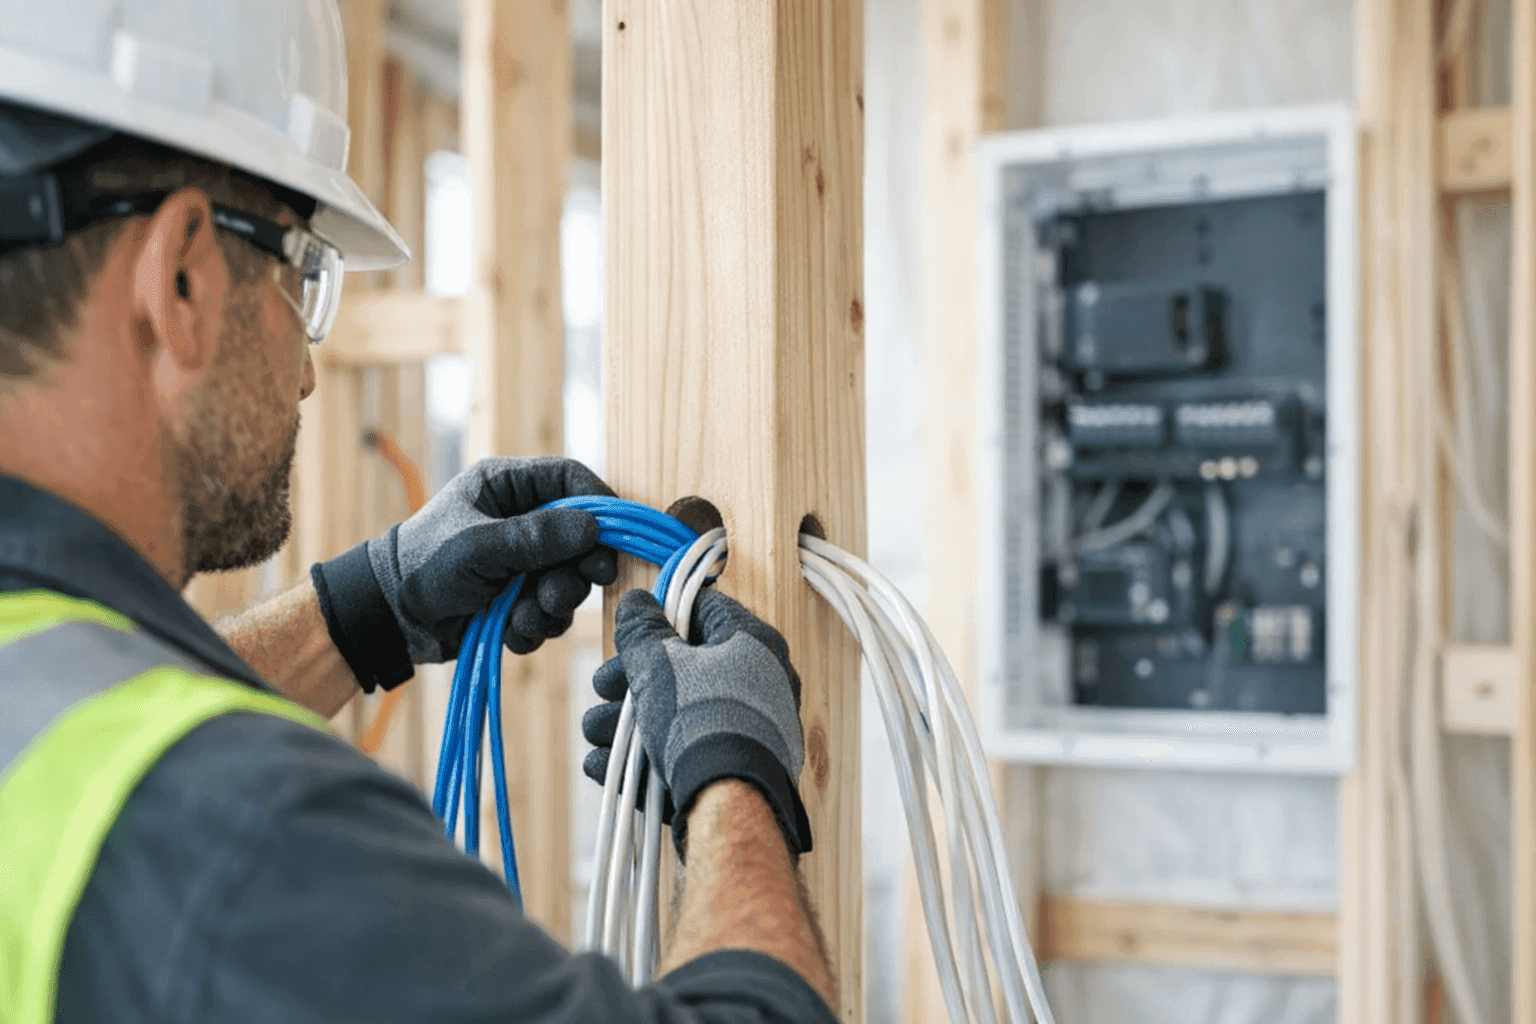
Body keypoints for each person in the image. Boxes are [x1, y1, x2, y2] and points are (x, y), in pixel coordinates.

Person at [0, 3, 835, 1023]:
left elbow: (76, 719)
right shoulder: (239, 831)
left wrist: (367, 608)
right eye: (302, 272)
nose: (308, 374)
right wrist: (735, 770)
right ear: (181, 275)